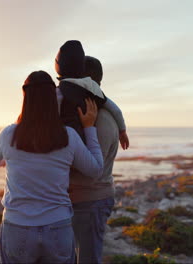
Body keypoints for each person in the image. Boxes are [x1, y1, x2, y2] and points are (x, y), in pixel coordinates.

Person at [0, 70, 104, 264]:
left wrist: (10, 151)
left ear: (25, 98)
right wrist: (89, 128)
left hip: (18, 226)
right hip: (57, 226)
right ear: (53, 99)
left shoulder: (9, 134)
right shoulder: (68, 136)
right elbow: (96, 170)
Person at [54, 40, 122, 264]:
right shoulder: (85, 113)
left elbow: (91, 168)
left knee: (88, 259)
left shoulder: (99, 120)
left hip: (91, 200)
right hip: (80, 200)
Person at [55, 40, 129, 150]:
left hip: (64, 142)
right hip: (84, 143)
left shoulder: (59, 91)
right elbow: (116, 110)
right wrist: (122, 131)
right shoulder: (92, 87)